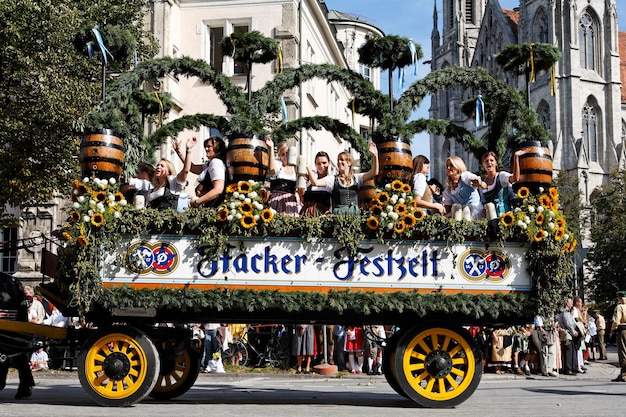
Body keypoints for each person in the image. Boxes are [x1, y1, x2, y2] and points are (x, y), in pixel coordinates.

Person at [306, 141, 379, 214]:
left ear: (349, 163)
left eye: (342, 160)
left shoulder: (356, 178)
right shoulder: (332, 179)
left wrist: (375, 156)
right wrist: (308, 168)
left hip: (354, 215)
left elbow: (374, 172)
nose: (339, 162)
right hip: (338, 215)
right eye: (338, 160)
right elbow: (315, 183)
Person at [0, 272, 36, 399]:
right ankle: (25, 385)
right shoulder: (14, 281)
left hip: (6, 320)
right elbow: (22, 309)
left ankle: (23, 385)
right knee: (17, 353)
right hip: (15, 322)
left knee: (9, 352)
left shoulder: (11, 281)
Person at [174, 136, 227, 208]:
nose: (206, 149)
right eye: (206, 147)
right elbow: (192, 168)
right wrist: (181, 151)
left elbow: (218, 189)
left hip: (214, 206)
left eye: (209, 146)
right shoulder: (211, 164)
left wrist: (197, 202)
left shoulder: (216, 163)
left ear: (217, 148)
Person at [147, 137, 197, 210]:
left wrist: (188, 150)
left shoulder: (173, 182)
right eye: (157, 165)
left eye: (162, 166)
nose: (158, 167)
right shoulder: (152, 189)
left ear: (169, 171)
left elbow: (186, 170)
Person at [479, 151, 520, 219]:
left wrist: (516, 157)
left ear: (496, 163)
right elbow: (483, 202)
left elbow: (515, 178)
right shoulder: (482, 182)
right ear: (483, 165)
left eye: (491, 160)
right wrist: (483, 210)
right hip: (489, 219)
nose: (489, 162)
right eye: (486, 161)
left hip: (503, 216)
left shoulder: (501, 176)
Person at [265, 136, 299, 216]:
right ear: (279, 155)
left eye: (287, 153)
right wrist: (271, 148)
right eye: (282, 154)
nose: (285, 156)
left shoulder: (295, 168)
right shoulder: (278, 164)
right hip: (276, 198)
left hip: (290, 201)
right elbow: (272, 171)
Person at [300, 151, 332, 216]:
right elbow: (301, 197)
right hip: (306, 213)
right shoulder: (309, 178)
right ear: (315, 165)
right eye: (318, 164)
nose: (321, 166)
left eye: (324, 163)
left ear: (329, 163)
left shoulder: (331, 179)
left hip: (322, 214)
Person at [557, 297, 580, 375]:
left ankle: (569, 368)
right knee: (568, 352)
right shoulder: (566, 312)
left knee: (568, 351)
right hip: (567, 334)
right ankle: (568, 369)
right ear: (567, 303)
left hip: (566, 334)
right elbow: (569, 324)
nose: (571, 304)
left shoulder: (564, 312)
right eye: (570, 303)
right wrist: (574, 331)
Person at [610, 290, 626, 382]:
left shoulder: (619, 307)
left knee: (623, 352)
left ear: (619, 298)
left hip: (623, 330)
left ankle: (624, 374)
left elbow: (616, 320)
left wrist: (613, 329)